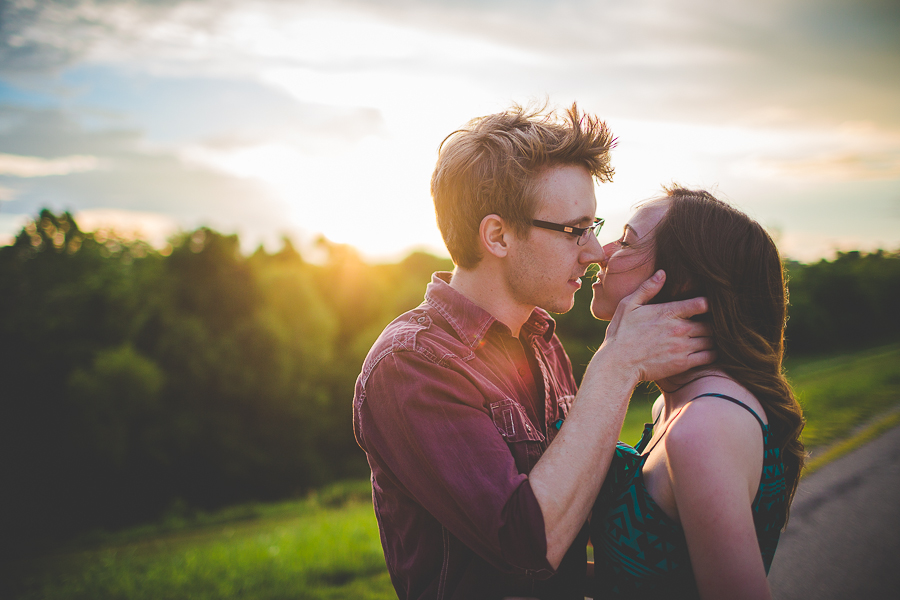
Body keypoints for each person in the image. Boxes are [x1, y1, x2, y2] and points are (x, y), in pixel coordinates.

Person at [352, 104, 715, 600]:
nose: (594, 252)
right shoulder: (412, 366)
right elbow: (529, 547)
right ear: (498, 236)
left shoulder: (542, 340)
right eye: (574, 230)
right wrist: (617, 365)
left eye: (595, 226)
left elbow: (566, 546)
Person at [588, 187, 806, 600]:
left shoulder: (705, 427)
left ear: (680, 277)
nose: (602, 252)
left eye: (627, 240)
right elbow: (657, 579)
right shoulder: (673, 402)